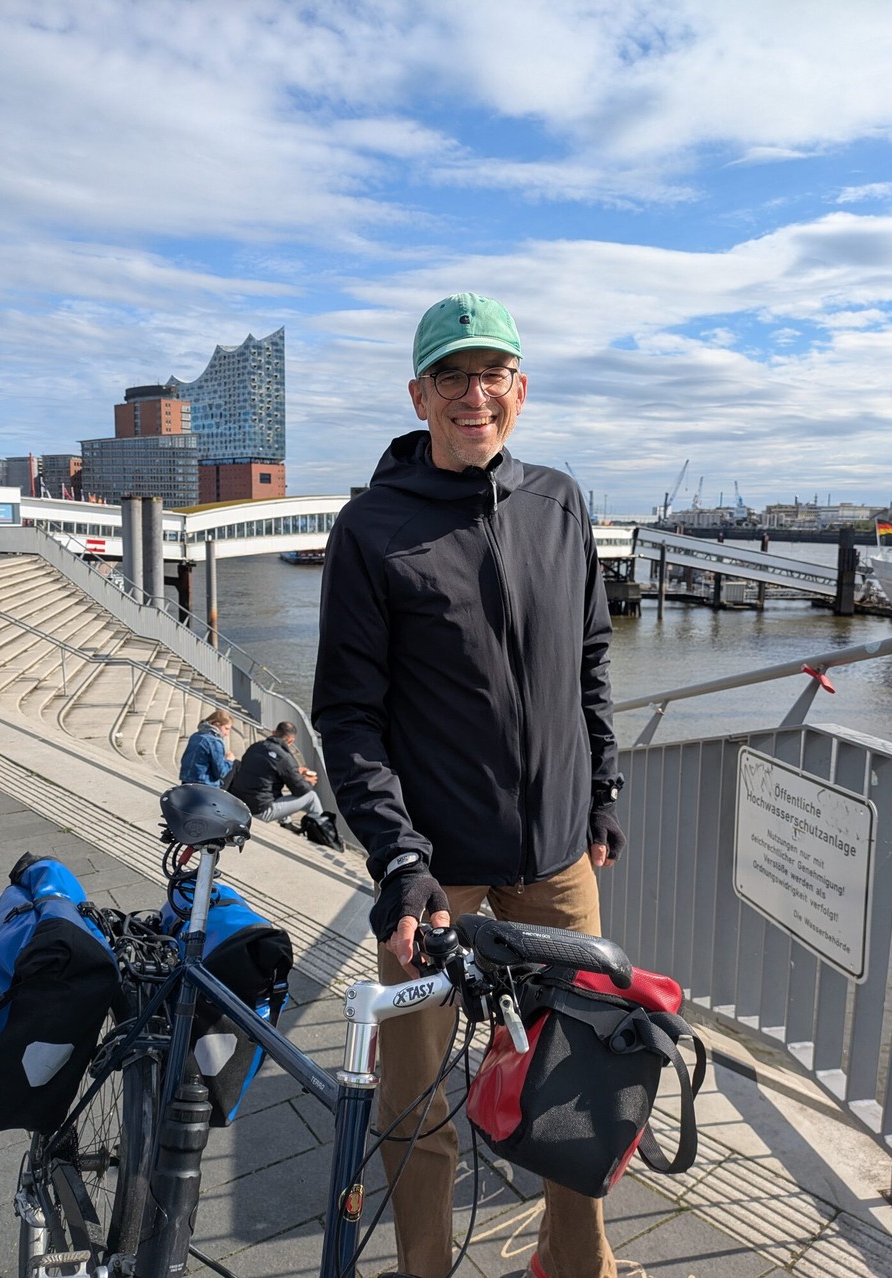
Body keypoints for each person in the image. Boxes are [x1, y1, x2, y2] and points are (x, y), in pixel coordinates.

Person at [312, 293, 626, 1278]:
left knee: (580, 1087)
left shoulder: (558, 500)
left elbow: (590, 655)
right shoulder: (372, 529)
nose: (474, 393)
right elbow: (350, 717)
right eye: (452, 374)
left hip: (556, 856)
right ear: (419, 394)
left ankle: (575, 1266)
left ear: (520, 391)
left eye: (492, 374)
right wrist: (397, 858)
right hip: (434, 875)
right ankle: (423, 1270)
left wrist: (604, 788)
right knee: (415, 1102)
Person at [229, 720, 323, 824]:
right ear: (291, 741)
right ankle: (325, 831)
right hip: (259, 809)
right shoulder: (284, 757)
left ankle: (286, 822)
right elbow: (300, 789)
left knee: (273, 787)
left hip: (239, 801)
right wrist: (309, 781)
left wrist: (296, 771)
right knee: (311, 796)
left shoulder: (255, 747)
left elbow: (266, 771)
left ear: (273, 732)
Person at [178, 709, 236, 787]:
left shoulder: (195, 736)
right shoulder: (214, 742)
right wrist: (229, 760)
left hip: (186, 780)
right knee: (236, 766)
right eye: (226, 728)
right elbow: (221, 772)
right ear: (216, 724)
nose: (227, 733)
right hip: (204, 784)